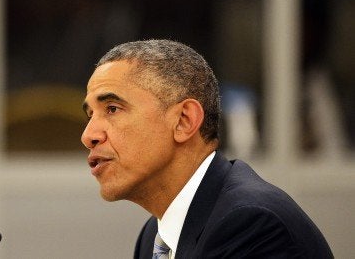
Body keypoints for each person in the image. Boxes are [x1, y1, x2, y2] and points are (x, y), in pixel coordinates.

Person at [81, 40, 332, 258]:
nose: (88, 136)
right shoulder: (154, 236)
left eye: (112, 109)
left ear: (184, 121)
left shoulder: (250, 225)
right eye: (90, 115)